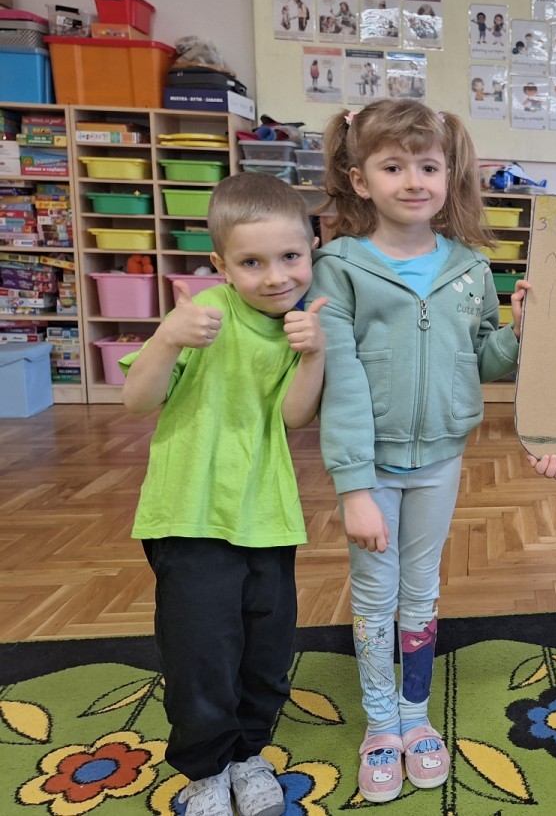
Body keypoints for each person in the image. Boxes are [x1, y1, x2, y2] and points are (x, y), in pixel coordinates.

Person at [310, 100, 555, 803]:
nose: (413, 181)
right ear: (361, 180)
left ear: (449, 175)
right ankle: (379, 724)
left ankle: (414, 716)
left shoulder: (471, 268)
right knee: (374, 594)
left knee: (421, 590)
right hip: (372, 468)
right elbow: (340, 383)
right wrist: (354, 487)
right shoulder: (339, 267)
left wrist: (519, 333)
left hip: (442, 460)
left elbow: (483, 362)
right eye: (393, 167)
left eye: (427, 166)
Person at [121, 172, 327, 816]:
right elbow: (136, 401)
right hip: (188, 514)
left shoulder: (301, 323)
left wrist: (313, 356)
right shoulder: (202, 313)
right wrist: (167, 339)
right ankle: (206, 769)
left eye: (289, 257)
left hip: (267, 515)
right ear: (221, 265)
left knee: (268, 650)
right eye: (251, 263)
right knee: (200, 653)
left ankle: (248, 753)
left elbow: (294, 417)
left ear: (313, 249)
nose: (275, 276)